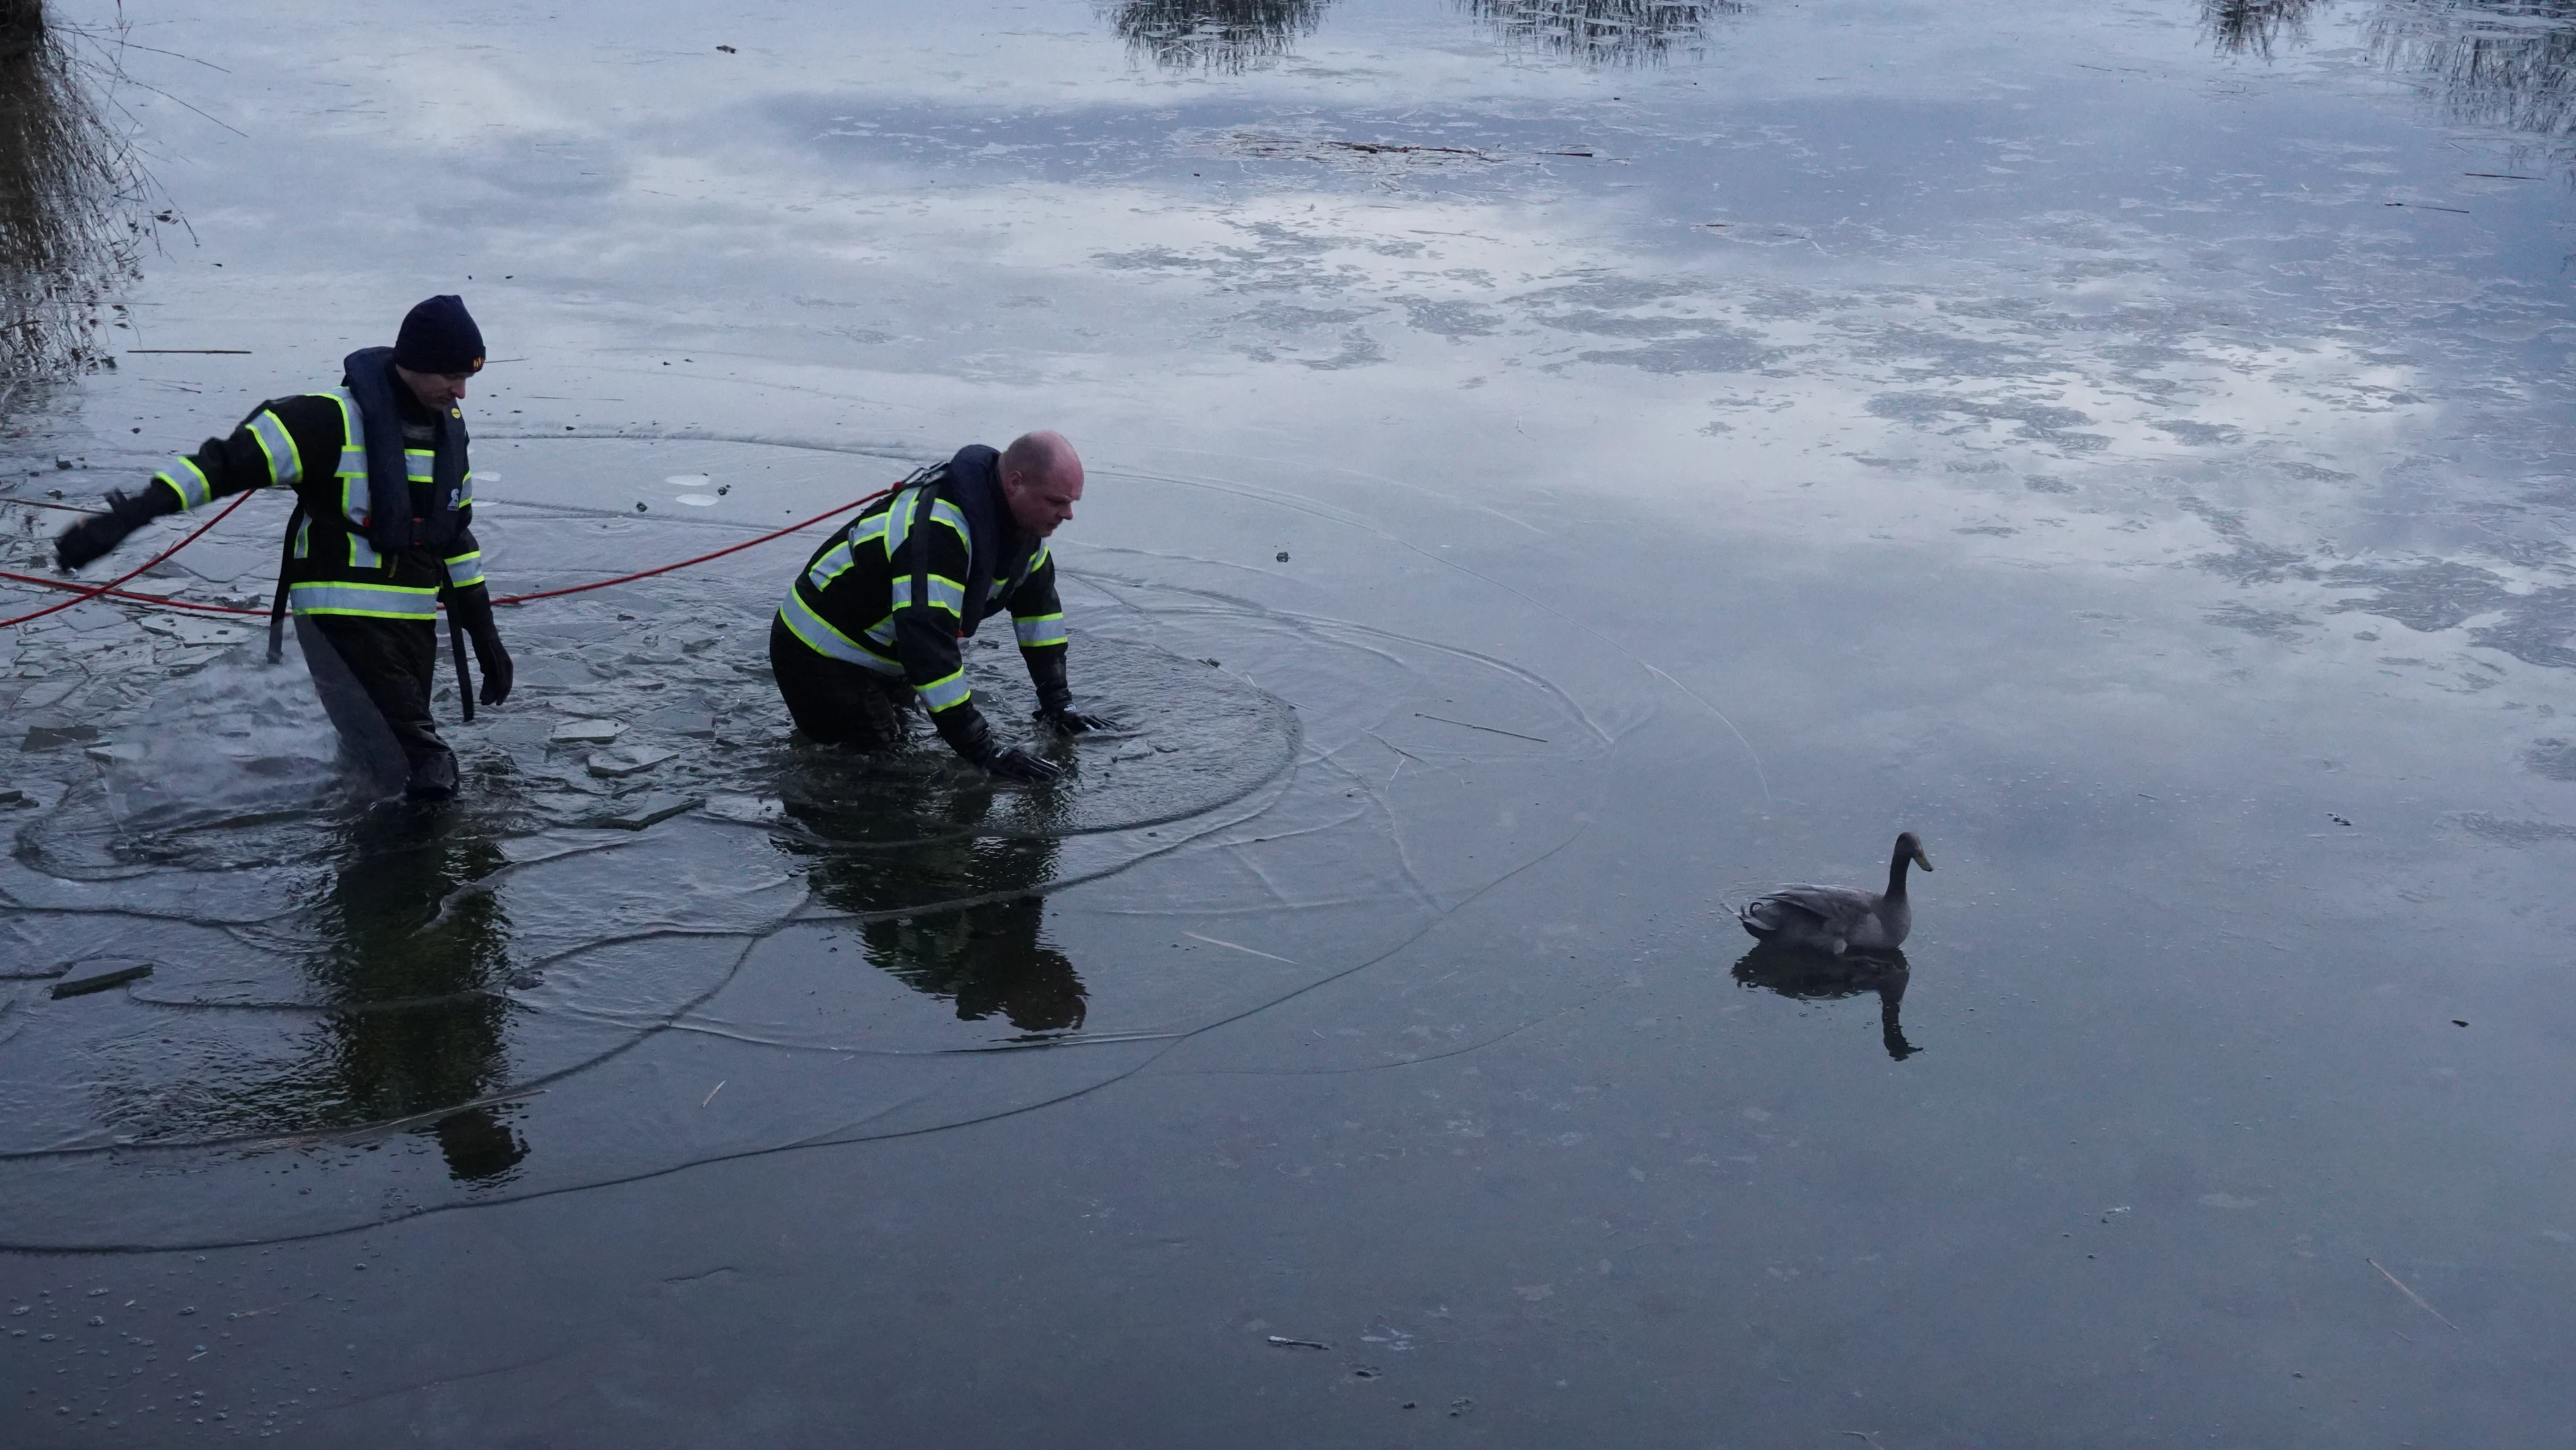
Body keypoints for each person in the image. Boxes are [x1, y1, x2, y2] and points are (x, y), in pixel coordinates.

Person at [53, 295, 513, 801]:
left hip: (411, 623)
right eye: (451, 375)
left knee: (376, 763)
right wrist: (130, 514)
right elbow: (222, 465)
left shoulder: (447, 432)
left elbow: (455, 537)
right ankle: (418, 876)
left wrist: (483, 631)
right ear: (416, 362)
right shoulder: (324, 420)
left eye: (469, 377)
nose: (462, 391)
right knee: (424, 765)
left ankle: (358, 847)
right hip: (341, 621)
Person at [771, 431, 1112, 779]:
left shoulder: (1026, 533)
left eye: (1072, 503)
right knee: (878, 776)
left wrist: (1058, 704)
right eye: (1057, 502)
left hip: (884, 652)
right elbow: (930, 652)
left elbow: (1041, 618)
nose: (1068, 514)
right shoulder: (939, 532)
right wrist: (986, 752)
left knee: (900, 751)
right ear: (1015, 483)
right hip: (817, 651)